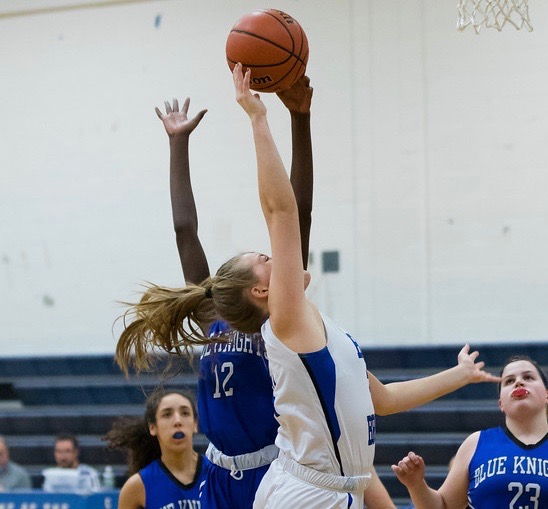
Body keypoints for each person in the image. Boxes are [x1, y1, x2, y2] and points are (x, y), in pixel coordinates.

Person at [116, 66, 498, 508]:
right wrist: (229, 129)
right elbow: (272, 216)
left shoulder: (303, 324)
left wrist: (296, 119)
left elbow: (294, 217)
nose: (277, 255)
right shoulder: (274, 319)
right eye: (265, 259)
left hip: (283, 469)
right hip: (245, 474)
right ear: (260, 291)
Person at [392, 355, 548, 508]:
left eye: (529, 377)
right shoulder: (476, 443)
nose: (519, 382)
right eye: (509, 381)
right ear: (501, 403)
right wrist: (416, 484)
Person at [104, 389, 210, 509]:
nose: (177, 421)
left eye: (185, 413)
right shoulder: (137, 487)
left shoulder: (216, 474)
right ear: (153, 427)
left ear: (195, 424)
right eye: (167, 414)